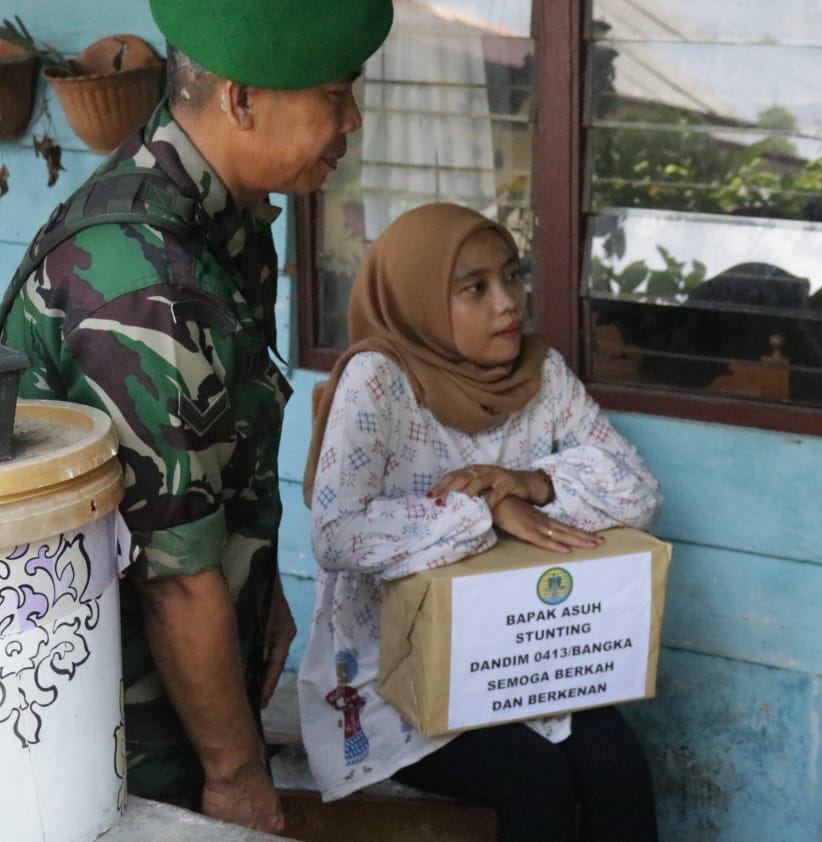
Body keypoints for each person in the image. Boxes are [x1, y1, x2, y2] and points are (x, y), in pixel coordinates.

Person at [0, 0, 392, 832]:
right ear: (242, 99)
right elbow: (175, 583)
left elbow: (216, 462)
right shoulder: (151, 281)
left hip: (181, 677)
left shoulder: (224, 213)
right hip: (114, 720)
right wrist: (237, 778)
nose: (352, 118)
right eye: (334, 92)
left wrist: (263, 596)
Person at [298, 203, 664, 842]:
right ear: (417, 299)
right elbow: (338, 533)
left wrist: (533, 483)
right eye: (476, 288)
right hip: (397, 672)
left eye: (512, 277)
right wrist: (483, 508)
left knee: (619, 768)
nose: (509, 303)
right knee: (535, 784)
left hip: (525, 654)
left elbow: (637, 489)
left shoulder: (537, 371)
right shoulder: (379, 379)